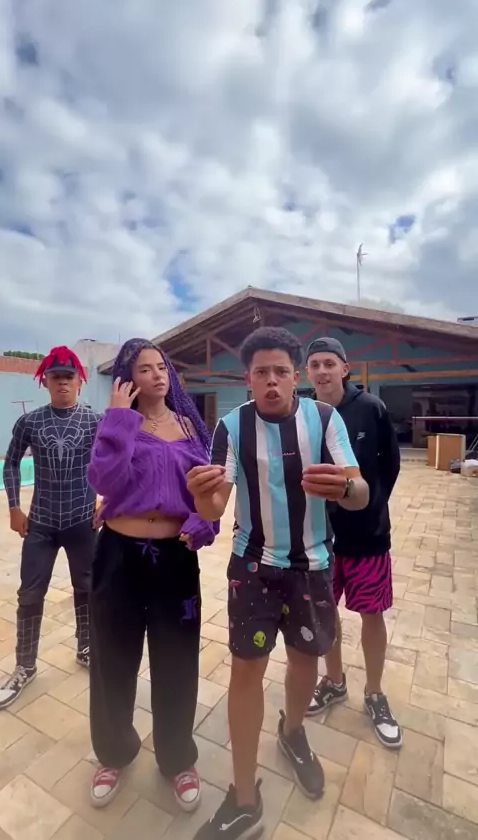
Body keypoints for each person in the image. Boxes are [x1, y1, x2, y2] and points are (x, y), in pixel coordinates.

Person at [187, 327, 369, 840]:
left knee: (306, 661)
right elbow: (215, 507)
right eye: (261, 373)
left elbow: (359, 491)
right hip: (253, 565)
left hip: (313, 565)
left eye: (281, 372)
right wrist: (199, 495)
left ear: (296, 377)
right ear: (247, 379)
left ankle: (292, 732)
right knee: (246, 670)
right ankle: (245, 798)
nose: (271, 381)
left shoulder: (325, 419)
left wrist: (347, 487)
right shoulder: (231, 426)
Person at [86, 338, 219, 812]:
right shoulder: (117, 423)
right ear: (128, 379)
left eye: (161, 366)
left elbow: (210, 488)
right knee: (112, 658)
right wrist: (118, 418)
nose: (157, 374)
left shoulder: (190, 426)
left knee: (177, 659)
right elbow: (103, 481)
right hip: (118, 556)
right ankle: (114, 753)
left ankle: (177, 758)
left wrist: (204, 522)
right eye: (144, 368)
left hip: (174, 560)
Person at [305, 337, 402, 749]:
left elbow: (390, 466)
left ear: (345, 369)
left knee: (371, 613)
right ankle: (334, 680)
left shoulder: (371, 409)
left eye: (329, 363)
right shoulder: (305, 413)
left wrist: (370, 508)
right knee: (326, 613)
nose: (322, 371)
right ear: (307, 373)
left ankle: (375, 693)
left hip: (366, 536)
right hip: (319, 537)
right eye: (314, 364)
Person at [0, 347, 100, 710]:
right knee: (29, 593)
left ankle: (86, 647)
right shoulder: (30, 422)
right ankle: (24, 666)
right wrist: (14, 507)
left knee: (87, 588)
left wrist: (108, 501)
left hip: (82, 519)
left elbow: (118, 462)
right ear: (45, 382)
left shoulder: (94, 422)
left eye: (69, 377)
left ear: (79, 382)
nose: (62, 383)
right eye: (55, 377)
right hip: (40, 522)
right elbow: (11, 463)